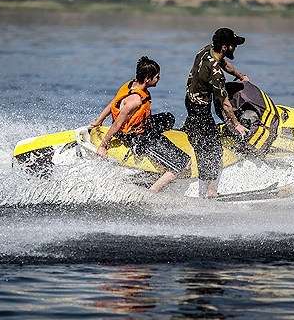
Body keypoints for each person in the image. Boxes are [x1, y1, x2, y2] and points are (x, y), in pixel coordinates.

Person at [90, 56, 190, 193]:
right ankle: (151, 193)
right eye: (157, 77)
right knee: (182, 164)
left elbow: (113, 103)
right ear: (148, 79)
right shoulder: (135, 101)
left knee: (168, 118)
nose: (159, 79)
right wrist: (103, 146)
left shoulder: (130, 84)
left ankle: (160, 146)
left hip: (143, 126)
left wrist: (98, 121)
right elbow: (117, 124)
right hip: (138, 138)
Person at [183, 27, 249, 198]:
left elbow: (224, 64)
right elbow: (225, 103)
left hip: (189, 100)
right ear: (226, 47)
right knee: (214, 151)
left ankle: (190, 129)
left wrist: (240, 76)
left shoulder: (207, 50)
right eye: (234, 44)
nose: (235, 47)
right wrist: (237, 125)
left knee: (200, 134)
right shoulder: (215, 72)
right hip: (201, 111)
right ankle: (209, 192)